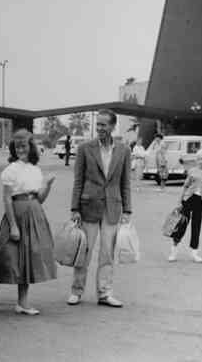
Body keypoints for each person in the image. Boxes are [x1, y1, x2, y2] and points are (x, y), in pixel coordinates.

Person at [0, 130, 57, 315]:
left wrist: (47, 185)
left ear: (31, 147)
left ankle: (22, 303)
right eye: (17, 146)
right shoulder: (11, 170)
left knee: (28, 259)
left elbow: (41, 198)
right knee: (4, 257)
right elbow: (7, 199)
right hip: (17, 214)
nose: (21, 149)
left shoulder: (35, 170)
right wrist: (13, 225)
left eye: (24, 146)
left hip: (34, 215)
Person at [67, 109, 131, 308]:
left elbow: (125, 182)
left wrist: (128, 209)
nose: (100, 128)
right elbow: (78, 181)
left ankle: (104, 293)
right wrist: (74, 208)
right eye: (98, 125)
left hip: (112, 207)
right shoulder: (85, 148)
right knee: (84, 251)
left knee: (107, 253)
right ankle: (76, 291)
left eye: (104, 125)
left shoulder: (123, 150)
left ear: (113, 126)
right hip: (88, 207)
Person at [169, 148, 202, 263]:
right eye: (198, 158)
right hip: (188, 199)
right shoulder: (192, 171)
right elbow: (185, 186)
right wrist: (179, 202)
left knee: (196, 227)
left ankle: (194, 253)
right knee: (181, 225)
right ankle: (174, 251)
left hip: (200, 202)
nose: (200, 161)